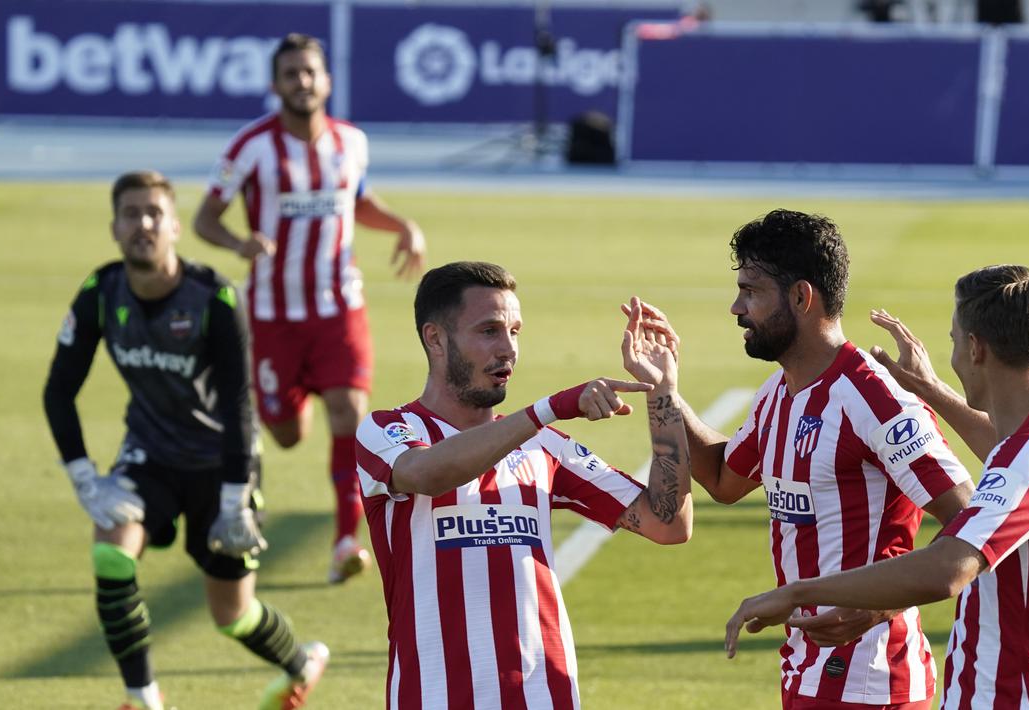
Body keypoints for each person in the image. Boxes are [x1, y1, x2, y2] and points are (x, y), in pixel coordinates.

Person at [630, 209, 974, 708]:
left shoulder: (876, 400)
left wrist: (880, 608)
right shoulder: (778, 393)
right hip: (806, 668)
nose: (736, 307)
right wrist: (664, 391)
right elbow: (725, 480)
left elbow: (970, 520)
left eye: (751, 291)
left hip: (870, 679)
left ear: (800, 297)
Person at [725, 265, 1029, 709]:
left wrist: (798, 592)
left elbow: (947, 569)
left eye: (952, 340)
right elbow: (1007, 448)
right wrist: (933, 390)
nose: (952, 357)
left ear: (975, 348)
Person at [42, 171, 327, 710]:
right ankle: (142, 696)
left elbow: (240, 404)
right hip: (148, 457)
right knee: (111, 555)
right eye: (131, 214)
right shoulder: (100, 293)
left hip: (222, 465)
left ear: (174, 226)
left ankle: (302, 663)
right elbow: (59, 392)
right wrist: (84, 479)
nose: (143, 224)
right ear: (114, 228)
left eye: (154, 213)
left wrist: (233, 498)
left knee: (232, 616)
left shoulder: (214, 297)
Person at [354, 261, 693, 708]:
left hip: (544, 698)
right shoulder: (387, 430)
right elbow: (428, 474)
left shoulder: (543, 447)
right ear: (435, 338)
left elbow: (668, 524)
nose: (508, 349)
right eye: (489, 331)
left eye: (515, 331)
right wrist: (548, 410)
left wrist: (662, 393)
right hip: (435, 697)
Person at [194, 32, 427, 583]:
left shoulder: (352, 142)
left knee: (347, 412)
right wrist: (238, 245)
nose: (302, 82)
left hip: (338, 308)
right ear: (275, 85)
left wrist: (404, 226)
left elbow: (360, 201)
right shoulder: (250, 147)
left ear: (326, 81)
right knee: (287, 433)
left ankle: (347, 538)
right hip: (273, 315)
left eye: (310, 72)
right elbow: (206, 218)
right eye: (291, 74)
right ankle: (277, 420)